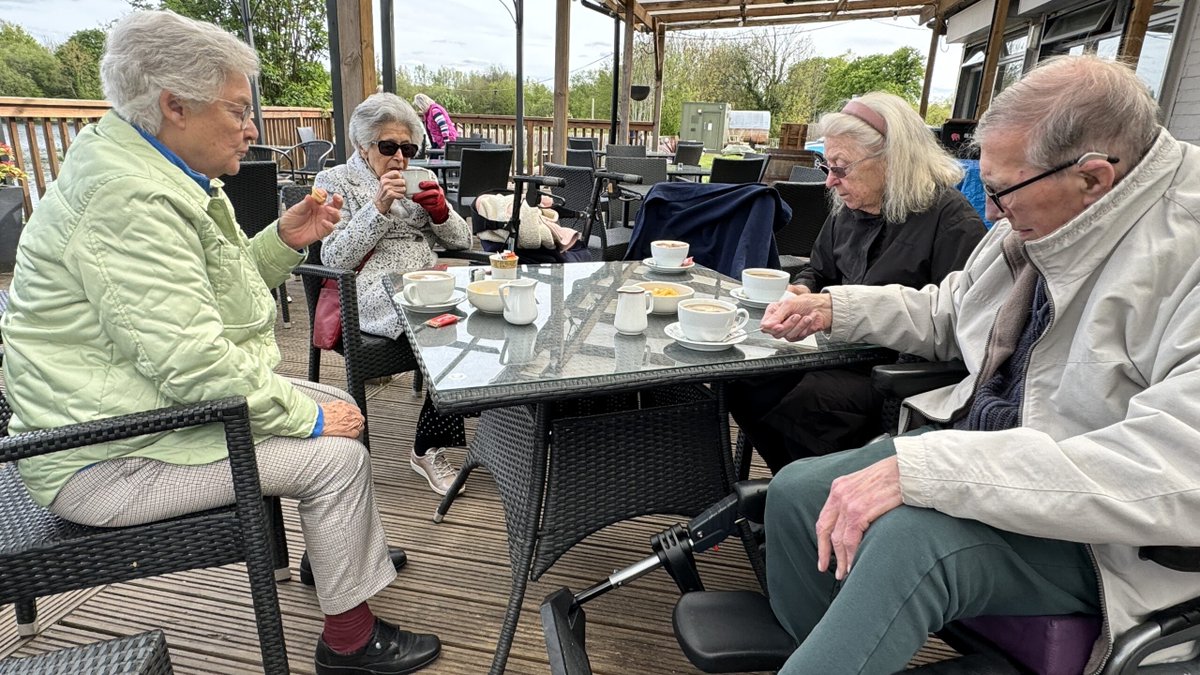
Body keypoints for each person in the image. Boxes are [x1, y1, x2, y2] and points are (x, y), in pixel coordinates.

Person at [0, 11, 440, 675]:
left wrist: (280, 241)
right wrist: (314, 420)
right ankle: (349, 643)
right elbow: (195, 366)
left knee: (330, 403)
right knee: (336, 454)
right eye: (237, 109)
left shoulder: (155, 172)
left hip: (126, 414)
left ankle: (336, 554)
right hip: (104, 458)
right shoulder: (131, 201)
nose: (252, 127)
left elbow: (218, 293)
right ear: (174, 105)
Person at [756, 54, 1200, 674]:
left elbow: (1179, 471)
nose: (989, 213)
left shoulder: (1185, 248)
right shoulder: (1043, 210)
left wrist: (932, 470)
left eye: (999, 192)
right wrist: (837, 307)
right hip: (986, 452)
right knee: (798, 490)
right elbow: (952, 311)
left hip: (1109, 536)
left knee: (910, 542)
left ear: (1093, 178)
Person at [728, 92, 984, 473]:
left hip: (895, 381)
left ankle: (813, 482)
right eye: (826, 166)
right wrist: (805, 290)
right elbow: (819, 271)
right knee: (740, 378)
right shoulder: (849, 209)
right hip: (830, 354)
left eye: (841, 167)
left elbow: (959, 330)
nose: (830, 181)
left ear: (894, 160)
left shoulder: (951, 223)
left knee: (779, 393)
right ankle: (794, 483)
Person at [314, 93, 473, 496]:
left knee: (487, 307)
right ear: (362, 146)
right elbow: (333, 256)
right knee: (449, 323)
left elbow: (463, 239)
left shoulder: (420, 176)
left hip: (427, 278)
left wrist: (442, 213)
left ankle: (471, 430)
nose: (400, 157)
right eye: (388, 147)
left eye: (408, 147)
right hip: (369, 287)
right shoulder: (335, 182)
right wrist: (379, 206)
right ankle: (431, 446)